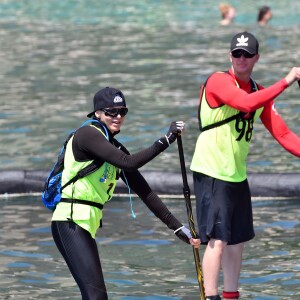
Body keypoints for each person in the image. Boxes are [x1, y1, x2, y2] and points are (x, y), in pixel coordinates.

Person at [51, 87, 200, 299]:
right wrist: (167, 139)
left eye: (123, 111)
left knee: (93, 295)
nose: (118, 116)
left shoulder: (114, 147)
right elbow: (129, 163)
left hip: (84, 224)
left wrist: (177, 228)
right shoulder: (87, 135)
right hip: (70, 222)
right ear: (98, 113)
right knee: (96, 297)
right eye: (111, 111)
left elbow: (145, 192)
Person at [190, 31, 300, 300]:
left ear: (256, 58)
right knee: (218, 240)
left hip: (236, 174)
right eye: (237, 54)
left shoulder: (259, 92)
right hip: (211, 170)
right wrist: (288, 79)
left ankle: (230, 295)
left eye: (247, 54)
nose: (241, 58)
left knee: (237, 241)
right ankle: (211, 296)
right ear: (230, 56)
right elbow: (244, 103)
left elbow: (284, 135)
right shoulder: (218, 81)